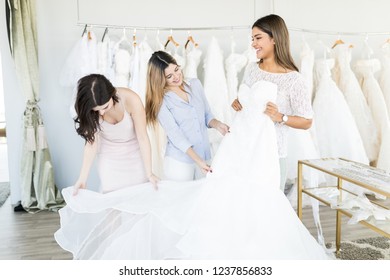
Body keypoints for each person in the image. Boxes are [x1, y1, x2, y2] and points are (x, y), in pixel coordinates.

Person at [232, 14, 313, 192]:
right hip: (245, 149)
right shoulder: (251, 69)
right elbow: (248, 100)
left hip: (273, 155)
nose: (253, 43)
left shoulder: (294, 79)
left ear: (275, 39)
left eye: (258, 38)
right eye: (252, 38)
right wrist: (238, 103)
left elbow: (307, 121)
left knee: (269, 212)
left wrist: (280, 117)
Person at [145, 51, 230, 181]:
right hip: (180, 162)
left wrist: (218, 125)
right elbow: (175, 135)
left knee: (204, 199)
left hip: (204, 155)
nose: (176, 76)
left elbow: (207, 115)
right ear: (160, 79)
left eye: (176, 69)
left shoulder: (195, 84)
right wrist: (198, 161)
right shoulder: (160, 101)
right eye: (169, 76)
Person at [72, 74, 159, 195]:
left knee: (138, 201)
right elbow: (91, 144)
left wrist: (149, 173)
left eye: (105, 107)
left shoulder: (131, 99)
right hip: (109, 158)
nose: (101, 112)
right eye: (96, 110)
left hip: (135, 155)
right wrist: (82, 178)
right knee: (112, 203)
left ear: (112, 94)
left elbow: (143, 137)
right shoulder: (90, 111)